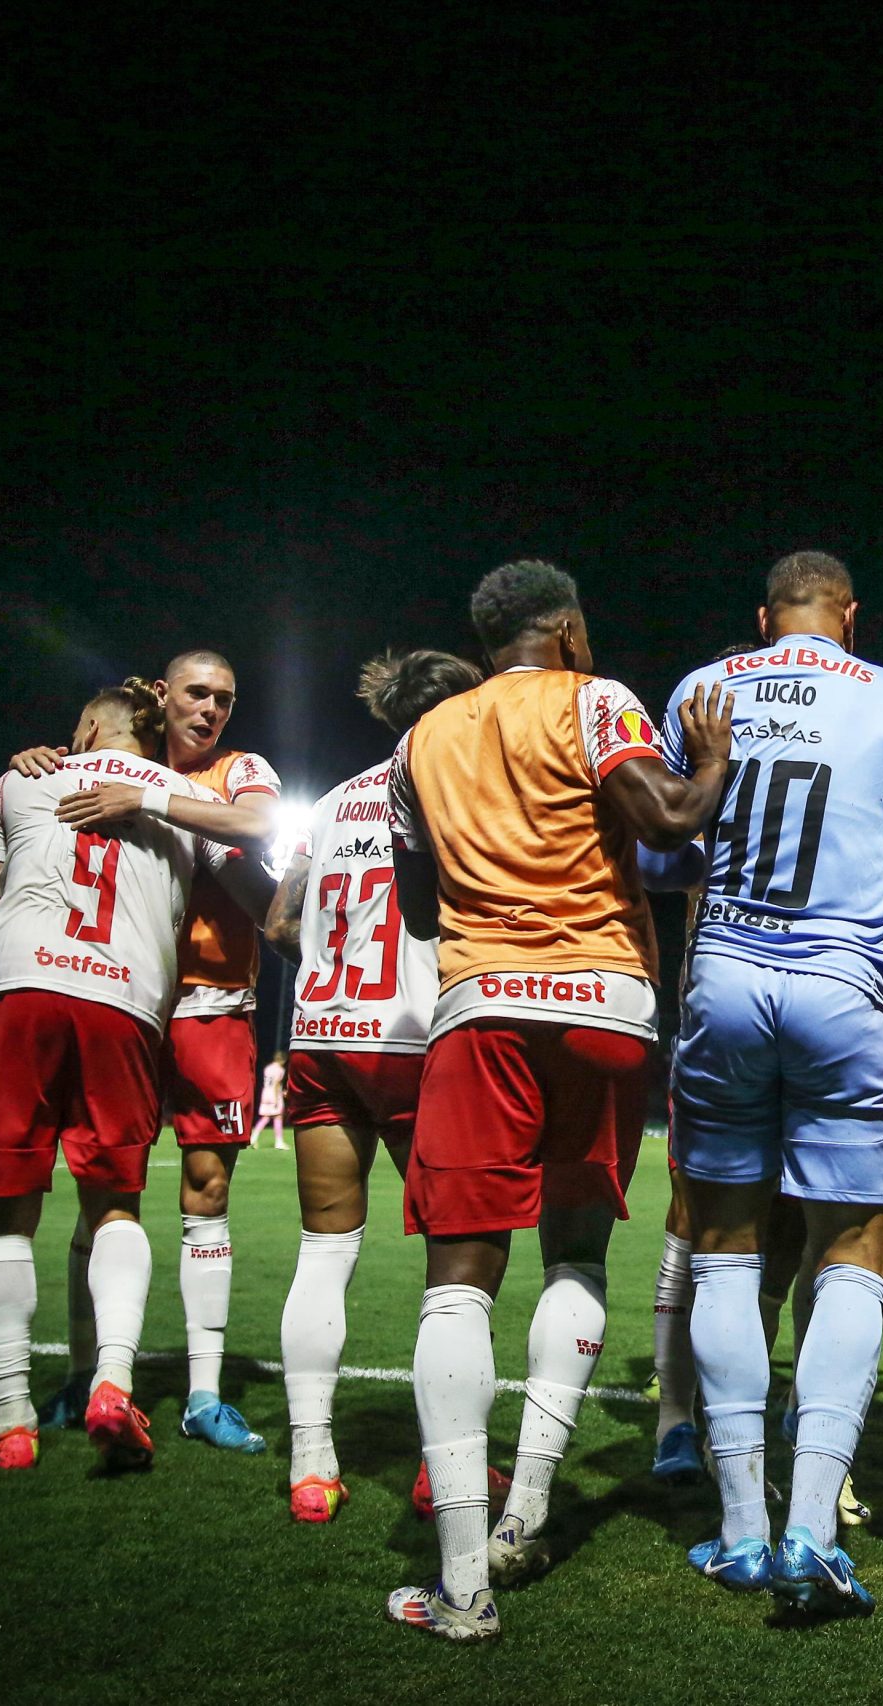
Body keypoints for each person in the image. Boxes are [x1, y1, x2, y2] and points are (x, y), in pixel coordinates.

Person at [382, 559, 734, 1644]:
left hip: (483, 1001)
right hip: (605, 1004)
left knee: (459, 1280)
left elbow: (421, 901)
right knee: (575, 1253)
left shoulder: (418, 740)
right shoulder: (597, 698)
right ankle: (527, 1510)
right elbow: (670, 816)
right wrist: (713, 758)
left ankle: (459, 1585)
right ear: (569, 627)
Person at [660, 551, 883, 1615]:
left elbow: (658, 855)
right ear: (851, 615)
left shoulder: (701, 690)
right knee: (853, 1247)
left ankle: (740, 1530)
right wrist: (880, 889)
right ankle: (811, 1526)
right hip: (843, 990)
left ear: (762, 617)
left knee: (721, 1245)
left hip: (723, 984)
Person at [0, 679, 248, 1473]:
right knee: (115, 1204)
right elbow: (248, 854)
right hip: (122, 1001)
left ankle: (14, 1417)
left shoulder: (18, 778)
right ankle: (113, 1383)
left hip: (17, 989)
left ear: (87, 723)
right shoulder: (181, 795)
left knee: (7, 1211)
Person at [13, 649, 281, 1452]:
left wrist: (150, 797)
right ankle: (84, 1373)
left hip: (210, 1001)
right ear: (162, 696)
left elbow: (259, 822)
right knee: (103, 1191)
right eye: (198, 694)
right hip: (121, 997)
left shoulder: (239, 768)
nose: (212, 711)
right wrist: (39, 763)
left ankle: (203, 1394)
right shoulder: (107, 762)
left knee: (207, 1189)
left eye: (225, 700)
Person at [261, 648, 483, 1523]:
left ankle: (311, 1464)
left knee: (324, 1252)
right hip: (419, 1040)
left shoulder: (330, 800)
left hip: (321, 1037)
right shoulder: (454, 781)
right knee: (456, 1271)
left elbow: (280, 922)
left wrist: (332, 970)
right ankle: (445, 1469)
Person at [258, 1053, 288, 1149]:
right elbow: (276, 1084)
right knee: (278, 1117)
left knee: (265, 1117)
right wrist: (276, 1098)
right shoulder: (280, 1070)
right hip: (274, 1095)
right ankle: (279, 1142)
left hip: (265, 1093)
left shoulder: (268, 1068)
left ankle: (253, 1138)